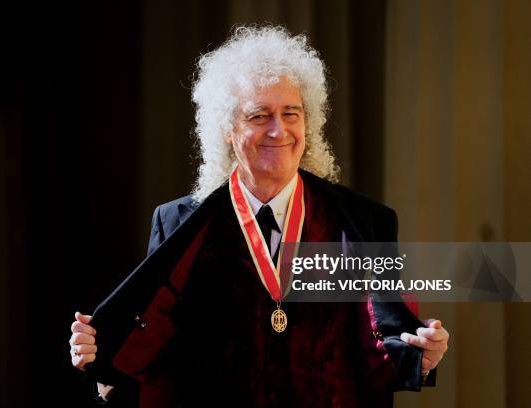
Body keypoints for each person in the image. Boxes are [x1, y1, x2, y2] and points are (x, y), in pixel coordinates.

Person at [69, 25, 449, 407]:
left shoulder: (365, 220)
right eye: (259, 116)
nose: (278, 129)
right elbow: (155, 346)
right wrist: (101, 359)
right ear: (228, 130)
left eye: (291, 113)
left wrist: (422, 354)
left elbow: (379, 341)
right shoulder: (179, 224)